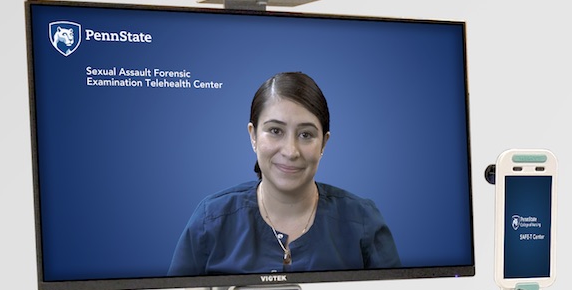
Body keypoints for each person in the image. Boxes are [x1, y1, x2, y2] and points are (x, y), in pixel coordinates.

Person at [168, 71, 400, 275]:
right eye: (275, 130)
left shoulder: (362, 221)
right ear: (253, 136)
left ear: (324, 143)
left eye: (306, 135)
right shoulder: (211, 220)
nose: (290, 151)